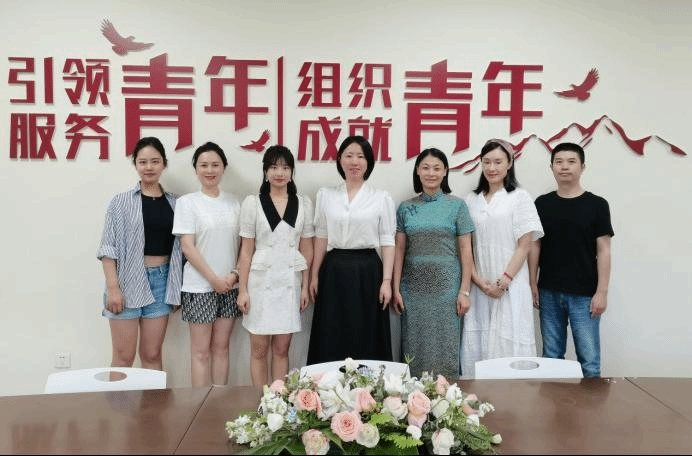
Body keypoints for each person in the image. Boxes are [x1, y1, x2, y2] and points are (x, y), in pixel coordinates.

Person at [307, 136, 396, 363]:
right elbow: (321, 236)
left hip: (368, 271)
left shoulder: (381, 197)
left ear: (368, 162)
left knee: (366, 332)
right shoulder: (326, 195)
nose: (354, 161)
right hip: (334, 269)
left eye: (360, 156)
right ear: (340, 160)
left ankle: (368, 383)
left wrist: (387, 281)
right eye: (349, 155)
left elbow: (388, 241)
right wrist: (314, 274)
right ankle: (328, 382)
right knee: (332, 330)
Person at [528, 142, 613, 378]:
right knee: (551, 358)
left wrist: (602, 292)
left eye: (571, 161)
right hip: (549, 291)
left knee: (590, 361)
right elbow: (535, 245)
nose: (564, 167)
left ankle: (592, 404)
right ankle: (555, 404)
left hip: (584, 295)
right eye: (559, 162)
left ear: (582, 167)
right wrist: (532, 282)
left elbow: (604, 251)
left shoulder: (597, 205)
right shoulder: (542, 204)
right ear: (552, 167)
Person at [97, 136, 183, 371]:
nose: (149, 167)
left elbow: (182, 249)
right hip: (126, 282)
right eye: (143, 162)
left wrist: (175, 288)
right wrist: (113, 288)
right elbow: (108, 248)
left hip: (161, 283)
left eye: (155, 161)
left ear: (164, 164)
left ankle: (152, 399)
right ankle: (120, 399)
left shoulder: (176, 204)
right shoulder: (121, 202)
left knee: (152, 355)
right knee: (123, 357)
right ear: (135, 164)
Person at [461, 139, 544, 378]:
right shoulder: (471, 200)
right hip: (480, 287)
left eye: (498, 162)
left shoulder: (519, 197)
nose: (492, 168)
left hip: (511, 285)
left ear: (509, 163)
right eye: (486, 162)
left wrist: (504, 281)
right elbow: (466, 248)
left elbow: (525, 245)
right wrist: (479, 282)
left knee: (509, 346)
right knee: (479, 348)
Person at [392, 148, 474, 379]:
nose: (431, 173)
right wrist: (396, 289)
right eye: (426, 167)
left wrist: (464, 291)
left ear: (445, 171)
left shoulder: (457, 206)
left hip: (447, 290)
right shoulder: (405, 207)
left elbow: (466, 250)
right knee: (413, 347)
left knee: (446, 347)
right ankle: (414, 399)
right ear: (417, 171)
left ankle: (449, 397)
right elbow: (399, 250)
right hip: (413, 290)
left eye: (437, 168)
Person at [236, 145, 314, 385]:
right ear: (265, 171)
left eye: (285, 167)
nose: (279, 173)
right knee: (259, 350)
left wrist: (305, 287)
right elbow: (246, 251)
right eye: (273, 167)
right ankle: (261, 399)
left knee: (282, 349)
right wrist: (242, 290)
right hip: (260, 285)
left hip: (289, 283)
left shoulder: (303, 203)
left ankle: (278, 400)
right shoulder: (253, 203)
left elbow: (307, 249)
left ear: (292, 172)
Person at [172, 142, 241, 387]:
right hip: (199, 287)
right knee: (201, 352)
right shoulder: (187, 203)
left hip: (230, 286)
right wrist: (213, 280)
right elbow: (187, 246)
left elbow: (244, 246)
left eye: (215, 165)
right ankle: (200, 403)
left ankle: (218, 402)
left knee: (222, 349)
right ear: (196, 169)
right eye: (204, 165)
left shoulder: (236, 202)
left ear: (223, 168)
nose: (209, 170)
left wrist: (233, 276)